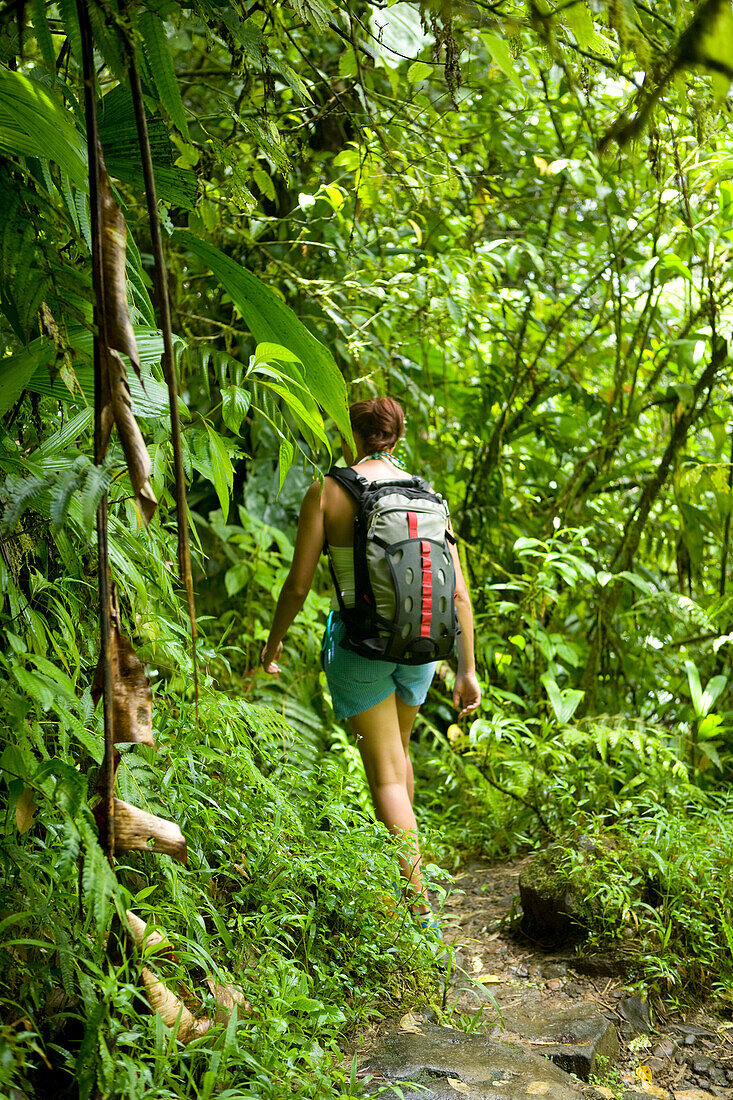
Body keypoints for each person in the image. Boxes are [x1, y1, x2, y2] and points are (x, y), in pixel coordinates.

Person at [260, 397, 481, 924]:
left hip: (361, 646)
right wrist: (467, 669)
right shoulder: (428, 497)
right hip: (421, 648)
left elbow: (297, 585)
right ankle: (407, 883)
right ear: (398, 436)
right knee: (398, 756)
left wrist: (273, 645)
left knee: (384, 776)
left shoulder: (327, 492)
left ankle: (418, 908)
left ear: (351, 434)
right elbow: (459, 595)